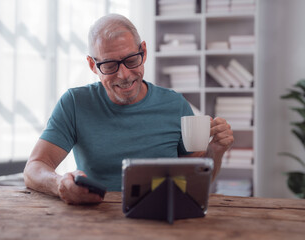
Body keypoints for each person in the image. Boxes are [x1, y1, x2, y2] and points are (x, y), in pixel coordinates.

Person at [23, 14, 234, 205]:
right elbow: (34, 168)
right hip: (95, 221)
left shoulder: (175, 105)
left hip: (162, 221)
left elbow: (195, 180)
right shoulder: (74, 103)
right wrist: (59, 184)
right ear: (92, 65)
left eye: (131, 60)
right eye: (109, 65)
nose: (124, 75)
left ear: (143, 51)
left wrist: (214, 152)